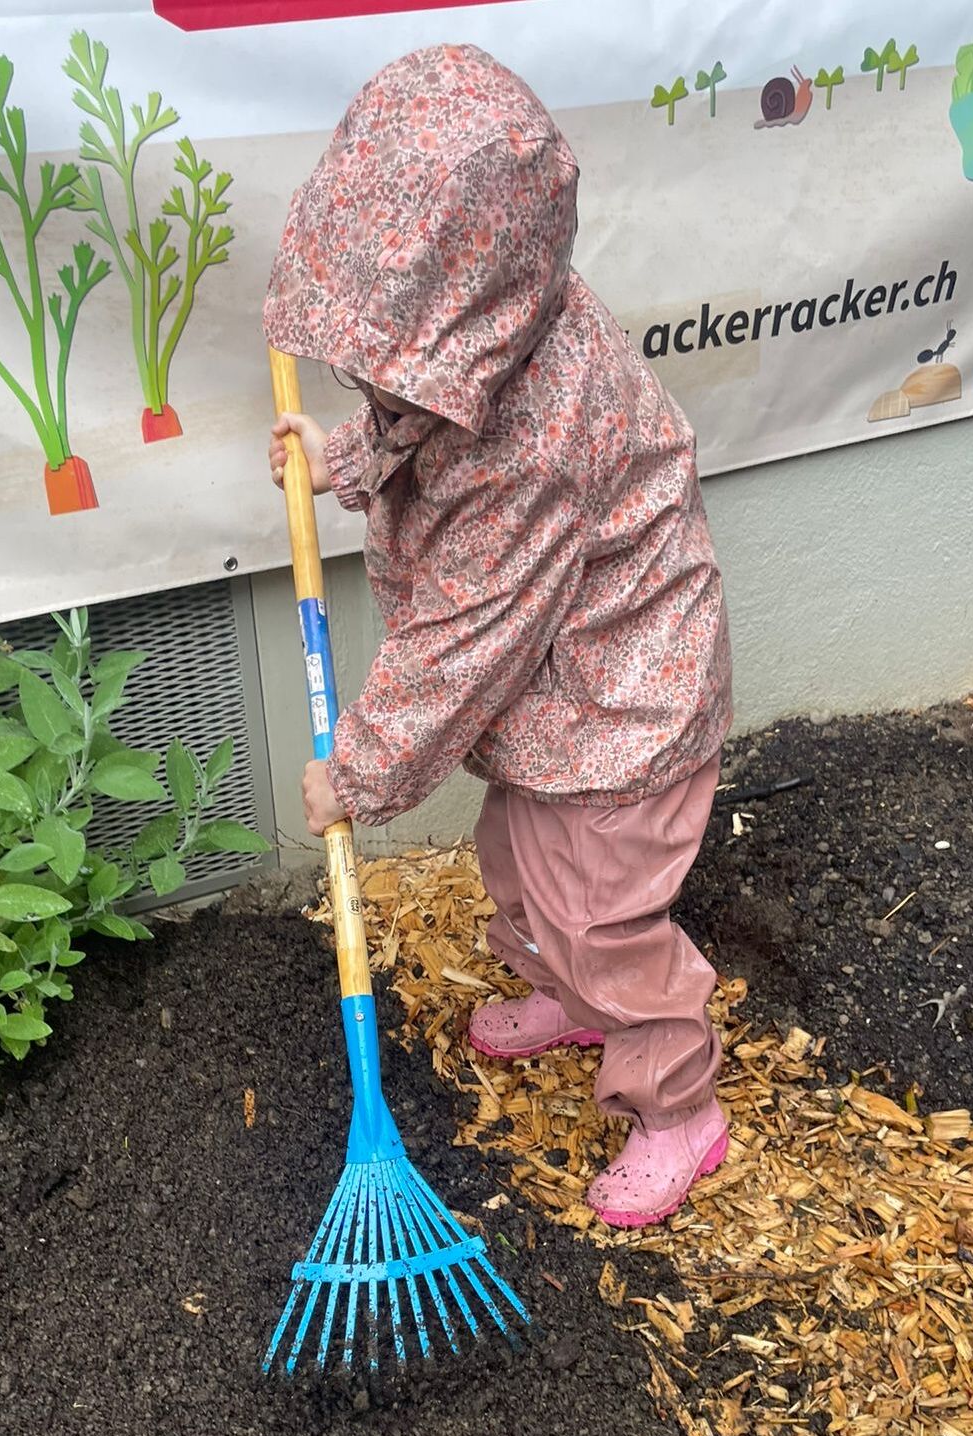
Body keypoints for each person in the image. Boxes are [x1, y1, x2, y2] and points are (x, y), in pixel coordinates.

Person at [264, 44, 733, 1228]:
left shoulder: (532, 441)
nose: (372, 373)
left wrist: (359, 774)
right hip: (560, 692)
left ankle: (678, 1106)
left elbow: (462, 643)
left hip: (625, 704)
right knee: (520, 858)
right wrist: (349, 456)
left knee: (600, 916)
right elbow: (418, 409)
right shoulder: (503, 316)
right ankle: (566, 991)